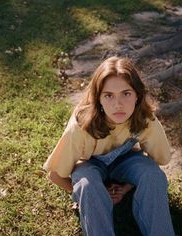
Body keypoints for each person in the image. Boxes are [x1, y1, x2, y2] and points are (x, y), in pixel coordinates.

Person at [43, 56, 175, 236]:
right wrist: (96, 196)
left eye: (126, 93)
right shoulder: (81, 126)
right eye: (108, 95)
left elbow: (159, 160)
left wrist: (127, 187)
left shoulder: (145, 119)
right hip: (90, 164)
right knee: (86, 184)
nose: (118, 104)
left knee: (153, 175)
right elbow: (56, 175)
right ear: (98, 99)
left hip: (126, 161)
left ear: (137, 95)